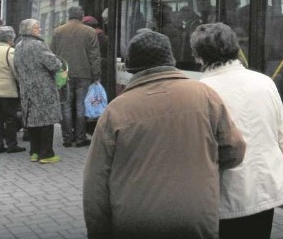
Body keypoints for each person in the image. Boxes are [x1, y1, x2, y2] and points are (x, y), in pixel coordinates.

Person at [83, 29, 246, 239]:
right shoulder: (204, 95)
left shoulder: (116, 110)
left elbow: (95, 182)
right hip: (196, 220)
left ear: (131, 66)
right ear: (172, 59)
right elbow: (235, 150)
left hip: (136, 224)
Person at [191, 22, 283, 239]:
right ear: (236, 49)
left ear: (199, 56)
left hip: (226, 196)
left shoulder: (201, 91)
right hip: (266, 190)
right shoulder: (264, 83)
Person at [13, 19, 62, 164]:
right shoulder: (38, 45)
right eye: (36, 28)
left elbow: (16, 68)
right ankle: (46, 154)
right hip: (43, 88)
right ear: (29, 30)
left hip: (26, 88)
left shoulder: (19, 45)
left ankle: (34, 152)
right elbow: (54, 64)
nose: (39, 29)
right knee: (46, 120)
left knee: (32, 120)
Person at [51, 6, 101, 148]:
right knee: (81, 106)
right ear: (82, 16)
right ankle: (80, 137)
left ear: (69, 15)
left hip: (63, 74)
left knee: (65, 106)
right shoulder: (90, 32)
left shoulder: (58, 31)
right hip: (84, 74)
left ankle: (67, 138)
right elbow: (94, 56)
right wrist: (96, 75)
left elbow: (52, 54)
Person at [0, 26, 26, 154]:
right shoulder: (10, 52)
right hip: (6, 91)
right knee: (10, 119)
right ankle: (12, 145)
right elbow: (17, 72)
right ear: (9, 39)